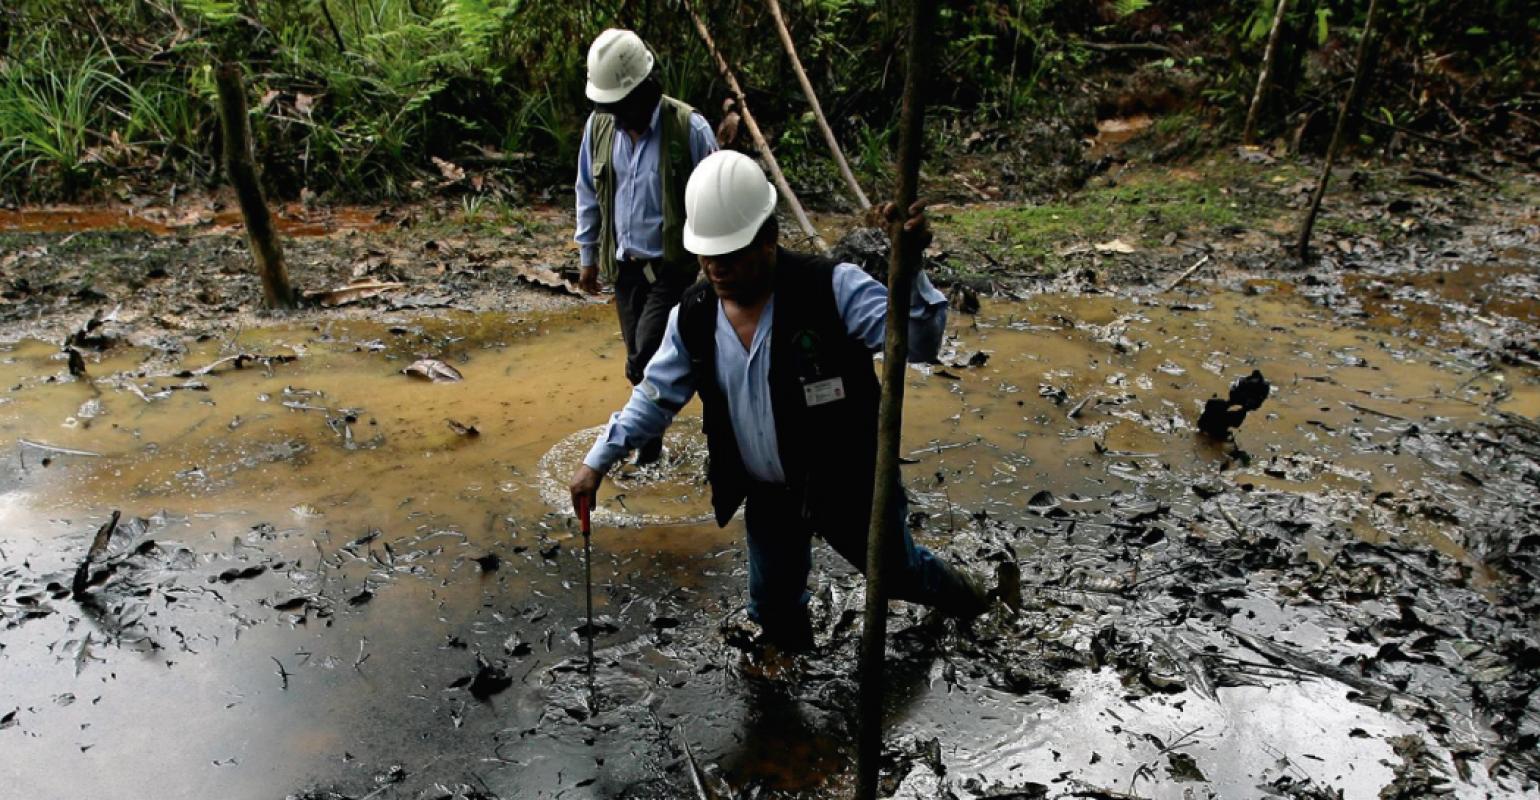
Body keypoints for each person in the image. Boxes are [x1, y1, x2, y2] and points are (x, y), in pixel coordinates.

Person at [569, 151, 988, 652]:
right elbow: (655, 396)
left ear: (768, 240)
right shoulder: (695, 316)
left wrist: (911, 264)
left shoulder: (832, 288)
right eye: (707, 256)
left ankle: (974, 602)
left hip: (847, 479)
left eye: (729, 256)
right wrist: (599, 460)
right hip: (768, 493)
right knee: (771, 606)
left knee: (897, 575)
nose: (714, 268)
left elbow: (917, 344)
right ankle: (792, 692)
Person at [575, 28, 718, 465]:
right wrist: (587, 256)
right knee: (642, 362)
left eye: (621, 106)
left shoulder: (688, 129)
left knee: (644, 357)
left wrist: (716, 262)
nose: (615, 116)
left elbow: (716, 194)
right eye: (608, 107)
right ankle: (652, 444)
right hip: (624, 269)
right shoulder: (600, 128)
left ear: (645, 90)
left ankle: (652, 448)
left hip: (672, 268)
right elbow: (587, 189)